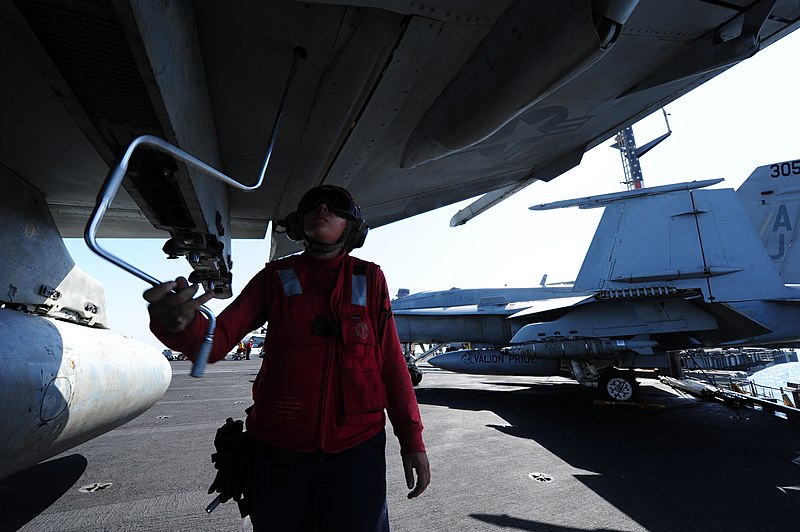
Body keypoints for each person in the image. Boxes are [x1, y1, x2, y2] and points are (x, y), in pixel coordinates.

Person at [144, 185, 430, 531]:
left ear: (353, 226)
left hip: (356, 454)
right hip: (280, 457)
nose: (322, 207)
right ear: (298, 223)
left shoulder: (370, 279)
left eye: (335, 206)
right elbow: (216, 342)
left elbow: (391, 365)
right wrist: (180, 324)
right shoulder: (275, 278)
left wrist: (412, 440)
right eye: (312, 204)